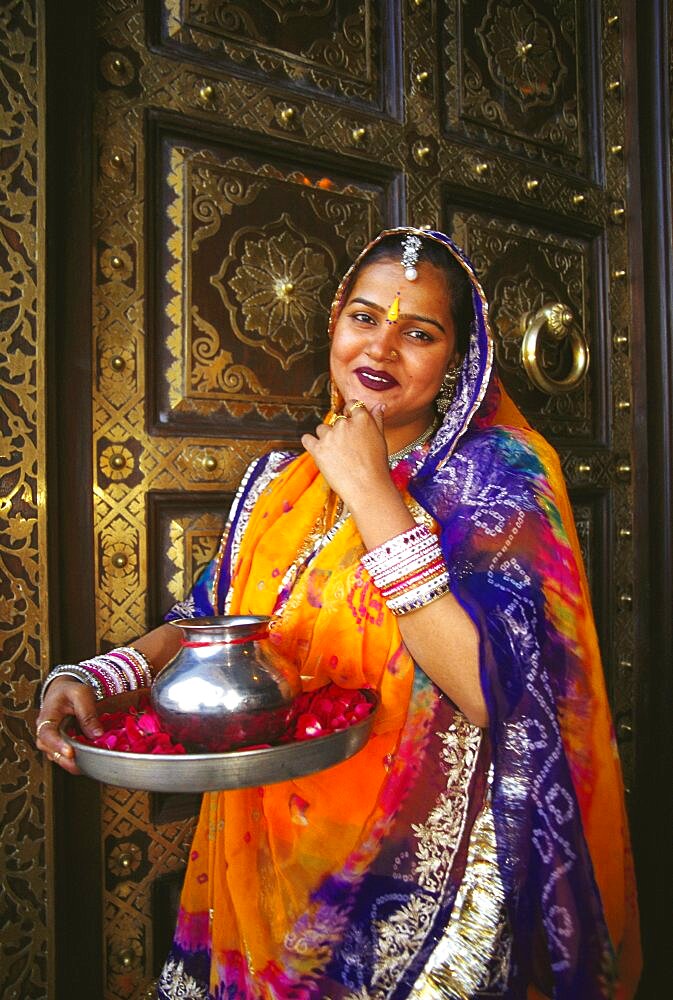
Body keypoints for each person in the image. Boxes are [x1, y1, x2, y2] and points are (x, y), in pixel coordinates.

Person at [36, 228, 640, 999]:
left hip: (418, 873)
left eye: (418, 332)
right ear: (333, 327)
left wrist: (372, 493)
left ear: (457, 358)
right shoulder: (279, 480)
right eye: (363, 318)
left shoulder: (499, 476)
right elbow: (210, 618)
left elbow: (496, 695)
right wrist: (95, 674)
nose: (381, 349)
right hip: (268, 848)